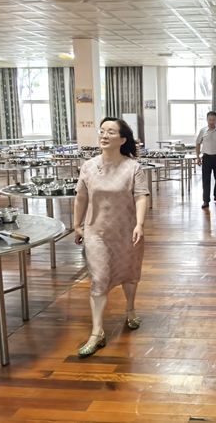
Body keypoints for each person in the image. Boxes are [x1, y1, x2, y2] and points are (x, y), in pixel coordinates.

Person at [73, 117, 150, 358]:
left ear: (123, 139)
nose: (104, 135)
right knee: (98, 279)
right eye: (102, 131)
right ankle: (97, 333)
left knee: (129, 273)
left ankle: (130, 309)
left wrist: (139, 224)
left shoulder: (133, 168)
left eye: (111, 132)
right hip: (96, 232)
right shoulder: (88, 166)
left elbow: (141, 196)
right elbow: (81, 197)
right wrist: (76, 224)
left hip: (127, 231)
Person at [195, 111, 216, 209]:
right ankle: (206, 200)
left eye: (213, 120)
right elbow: (198, 143)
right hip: (206, 158)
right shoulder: (203, 130)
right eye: (209, 120)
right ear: (207, 119)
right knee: (206, 180)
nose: (211, 122)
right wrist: (198, 157)